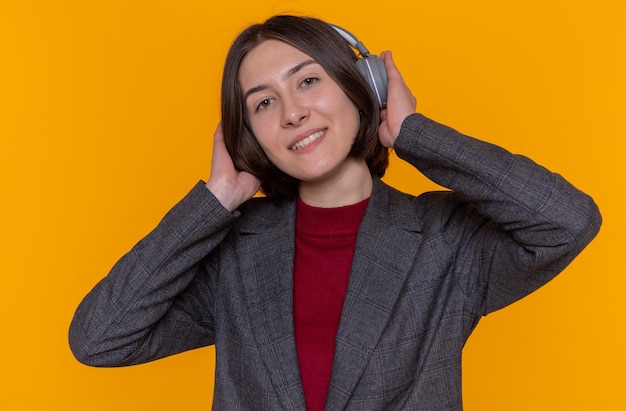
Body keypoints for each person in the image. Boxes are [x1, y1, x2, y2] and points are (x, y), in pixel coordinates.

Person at [69, 14, 601, 410]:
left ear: (361, 85)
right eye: (263, 103)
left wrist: (415, 135)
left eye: (307, 80)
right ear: (248, 135)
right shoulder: (234, 253)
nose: (293, 112)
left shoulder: (445, 240)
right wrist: (217, 198)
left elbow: (568, 222)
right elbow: (98, 339)